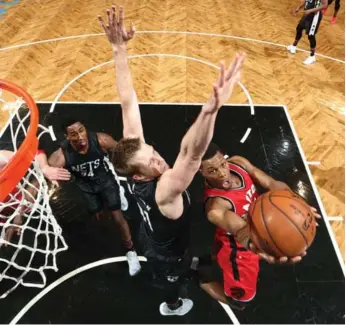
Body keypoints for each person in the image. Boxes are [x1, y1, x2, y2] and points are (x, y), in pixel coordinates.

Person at [98, 5, 246, 316]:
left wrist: (119, 49)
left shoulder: (134, 158)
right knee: (172, 280)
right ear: (139, 177)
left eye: (152, 150)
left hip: (150, 233)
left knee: (154, 241)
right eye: (151, 162)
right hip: (167, 253)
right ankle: (173, 304)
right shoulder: (164, 191)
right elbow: (191, 153)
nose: (158, 159)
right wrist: (210, 111)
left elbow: (128, 100)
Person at [198, 143, 321, 309]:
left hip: (251, 231)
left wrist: (295, 200)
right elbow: (241, 230)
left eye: (222, 164)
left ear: (224, 157)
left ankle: (210, 258)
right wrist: (262, 249)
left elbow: (271, 183)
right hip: (239, 249)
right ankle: (201, 279)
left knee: (217, 251)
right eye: (212, 170)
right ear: (200, 172)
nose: (222, 173)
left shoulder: (238, 163)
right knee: (239, 302)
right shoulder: (215, 207)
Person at [48, 118, 141, 276]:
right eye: (74, 134)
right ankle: (105, 207)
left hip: (107, 182)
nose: (80, 137)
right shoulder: (61, 156)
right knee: (98, 215)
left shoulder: (101, 140)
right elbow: (40, 176)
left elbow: (123, 152)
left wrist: (135, 170)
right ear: (67, 137)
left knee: (118, 217)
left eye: (82, 130)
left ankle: (131, 251)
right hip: (87, 188)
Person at [0, 149, 70, 245]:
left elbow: (34, 153)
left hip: (22, 198)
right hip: (10, 212)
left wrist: (45, 168)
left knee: (59, 156)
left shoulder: (1, 158)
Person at [287, 0, 328, 65]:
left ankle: (312, 57)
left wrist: (310, 10)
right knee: (299, 28)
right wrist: (298, 7)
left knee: (311, 35)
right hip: (307, 13)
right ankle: (293, 46)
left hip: (314, 16)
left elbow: (325, 5)